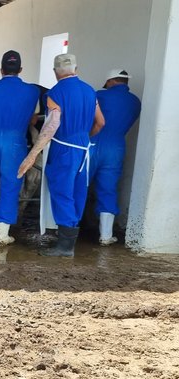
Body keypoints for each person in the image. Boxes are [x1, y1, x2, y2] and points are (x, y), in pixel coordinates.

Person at [18, 53, 105, 257]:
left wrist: (32, 154)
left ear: (55, 72)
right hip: (84, 150)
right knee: (77, 193)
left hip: (63, 149)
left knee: (62, 192)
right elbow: (101, 123)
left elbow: (51, 126)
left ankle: (65, 247)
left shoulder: (55, 93)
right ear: (76, 69)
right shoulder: (89, 91)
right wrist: (84, 137)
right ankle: (69, 242)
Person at [0, 50, 40, 245]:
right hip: (15, 141)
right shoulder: (32, 91)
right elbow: (34, 117)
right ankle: (2, 234)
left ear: (1, 69)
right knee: (10, 185)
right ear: (20, 69)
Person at [88, 68, 141, 246]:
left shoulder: (100, 96)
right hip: (116, 147)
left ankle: (68, 231)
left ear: (111, 81)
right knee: (108, 189)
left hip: (93, 143)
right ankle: (105, 235)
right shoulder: (135, 102)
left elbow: (88, 118)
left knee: (79, 186)